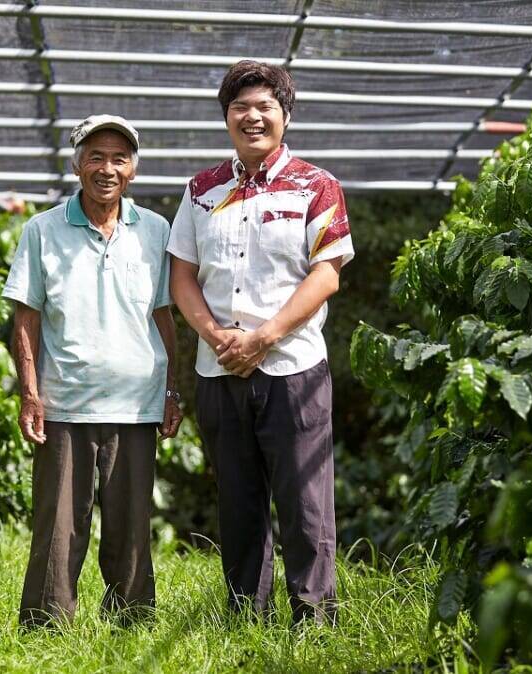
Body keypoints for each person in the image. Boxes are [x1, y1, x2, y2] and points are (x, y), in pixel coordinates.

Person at [167, 61, 353, 626]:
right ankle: (246, 618)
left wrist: (264, 337)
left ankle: (315, 620)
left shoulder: (317, 185)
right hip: (219, 367)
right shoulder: (201, 190)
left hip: (294, 367)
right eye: (240, 107)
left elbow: (327, 275)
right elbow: (181, 276)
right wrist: (219, 336)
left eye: (264, 106)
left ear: (284, 115)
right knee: (239, 501)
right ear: (226, 118)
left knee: (304, 503)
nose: (252, 116)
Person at [3, 114, 182, 626]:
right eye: (96, 156)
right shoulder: (42, 231)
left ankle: (132, 621)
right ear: (78, 163)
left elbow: (163, 314)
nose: (107, 168)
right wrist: (31, 394)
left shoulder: (155, 230)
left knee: (130, 524)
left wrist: (173, 390)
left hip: (136, 402)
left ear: (133, 170)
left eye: (119, 158)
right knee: (59, 525)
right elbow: (26, 317)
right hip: (65, 402)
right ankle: (45, 624)